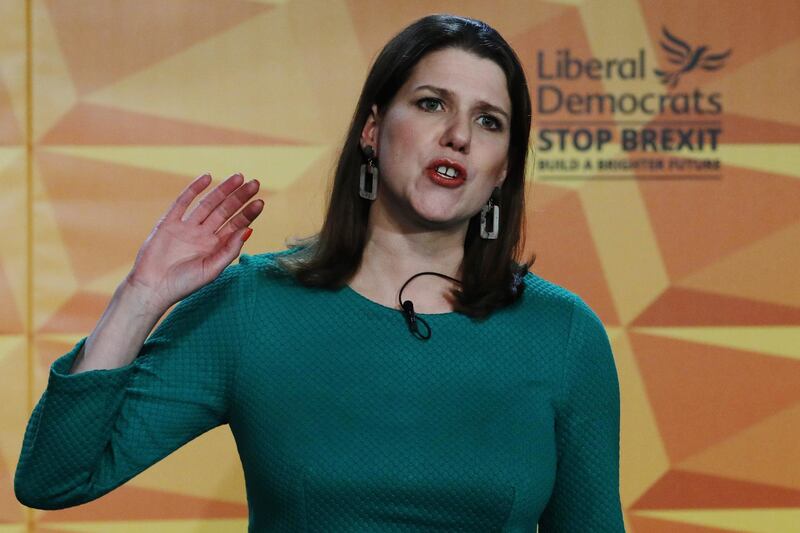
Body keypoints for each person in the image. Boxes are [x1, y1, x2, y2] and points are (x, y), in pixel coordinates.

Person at [14, 13, 625, 532]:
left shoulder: (564, 335)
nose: (459, 135)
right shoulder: (253, 305)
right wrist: (141, 297)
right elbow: (56, 476)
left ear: (503, 170)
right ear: (372, 129)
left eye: (489, 121)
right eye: (432, 103)